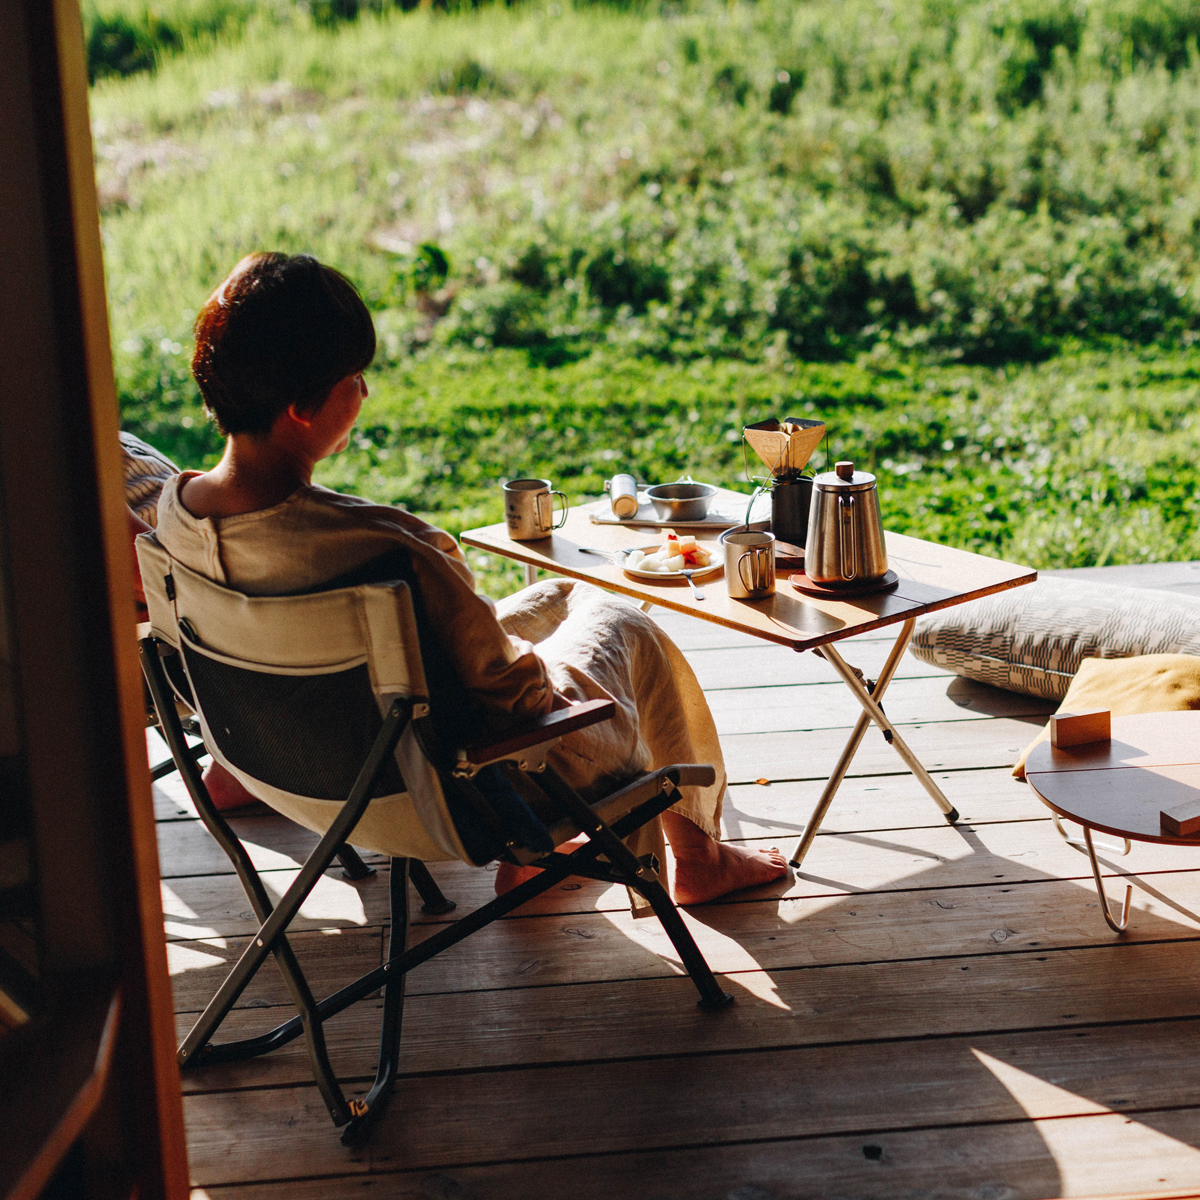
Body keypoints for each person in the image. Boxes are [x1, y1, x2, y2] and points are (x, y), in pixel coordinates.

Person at [150, 251, 788, 906]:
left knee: (566, 594)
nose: (364, 393)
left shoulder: (177, 515)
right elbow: (513, 700)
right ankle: (698, 857)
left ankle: (572, 859)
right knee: (622, 618)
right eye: (354, 377)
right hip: (471, 785)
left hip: (301, 767)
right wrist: (544, 678)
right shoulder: (388, 548)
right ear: (302, 408)